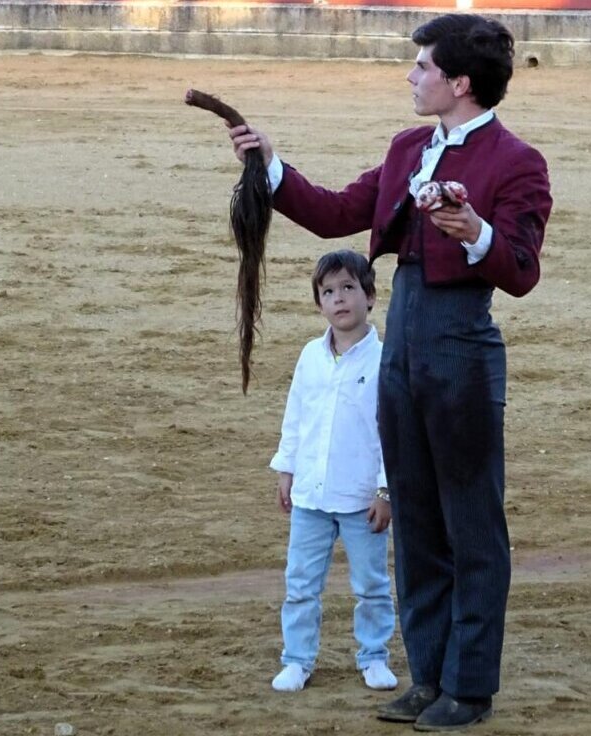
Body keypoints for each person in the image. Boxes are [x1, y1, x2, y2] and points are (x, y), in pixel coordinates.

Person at [232, 13, 551, 730]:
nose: (412, 77)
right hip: (400, 347)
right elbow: (338, 210)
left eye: (423, 68)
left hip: (462, 348)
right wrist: (270, 167)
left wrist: (478, 234)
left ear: (459, 83)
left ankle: (469, 686)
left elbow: (523, 268)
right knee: (414, 520)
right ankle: (429, 675)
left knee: (470, 524)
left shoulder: (515, 162)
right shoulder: (411, 147)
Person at [268, 249, 398, 694]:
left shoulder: (386, 359)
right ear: (318, 303)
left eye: (348, 288)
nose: (339, 299)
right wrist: (286, 468)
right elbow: (296, 415)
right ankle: (298, 659)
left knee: (372, 584)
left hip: (362, 497)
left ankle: (375, 655)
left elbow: (391, 431)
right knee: (300, 583)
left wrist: (386, 491)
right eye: (328, 291)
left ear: (370, 296)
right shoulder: (310, 355)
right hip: (310, 495)